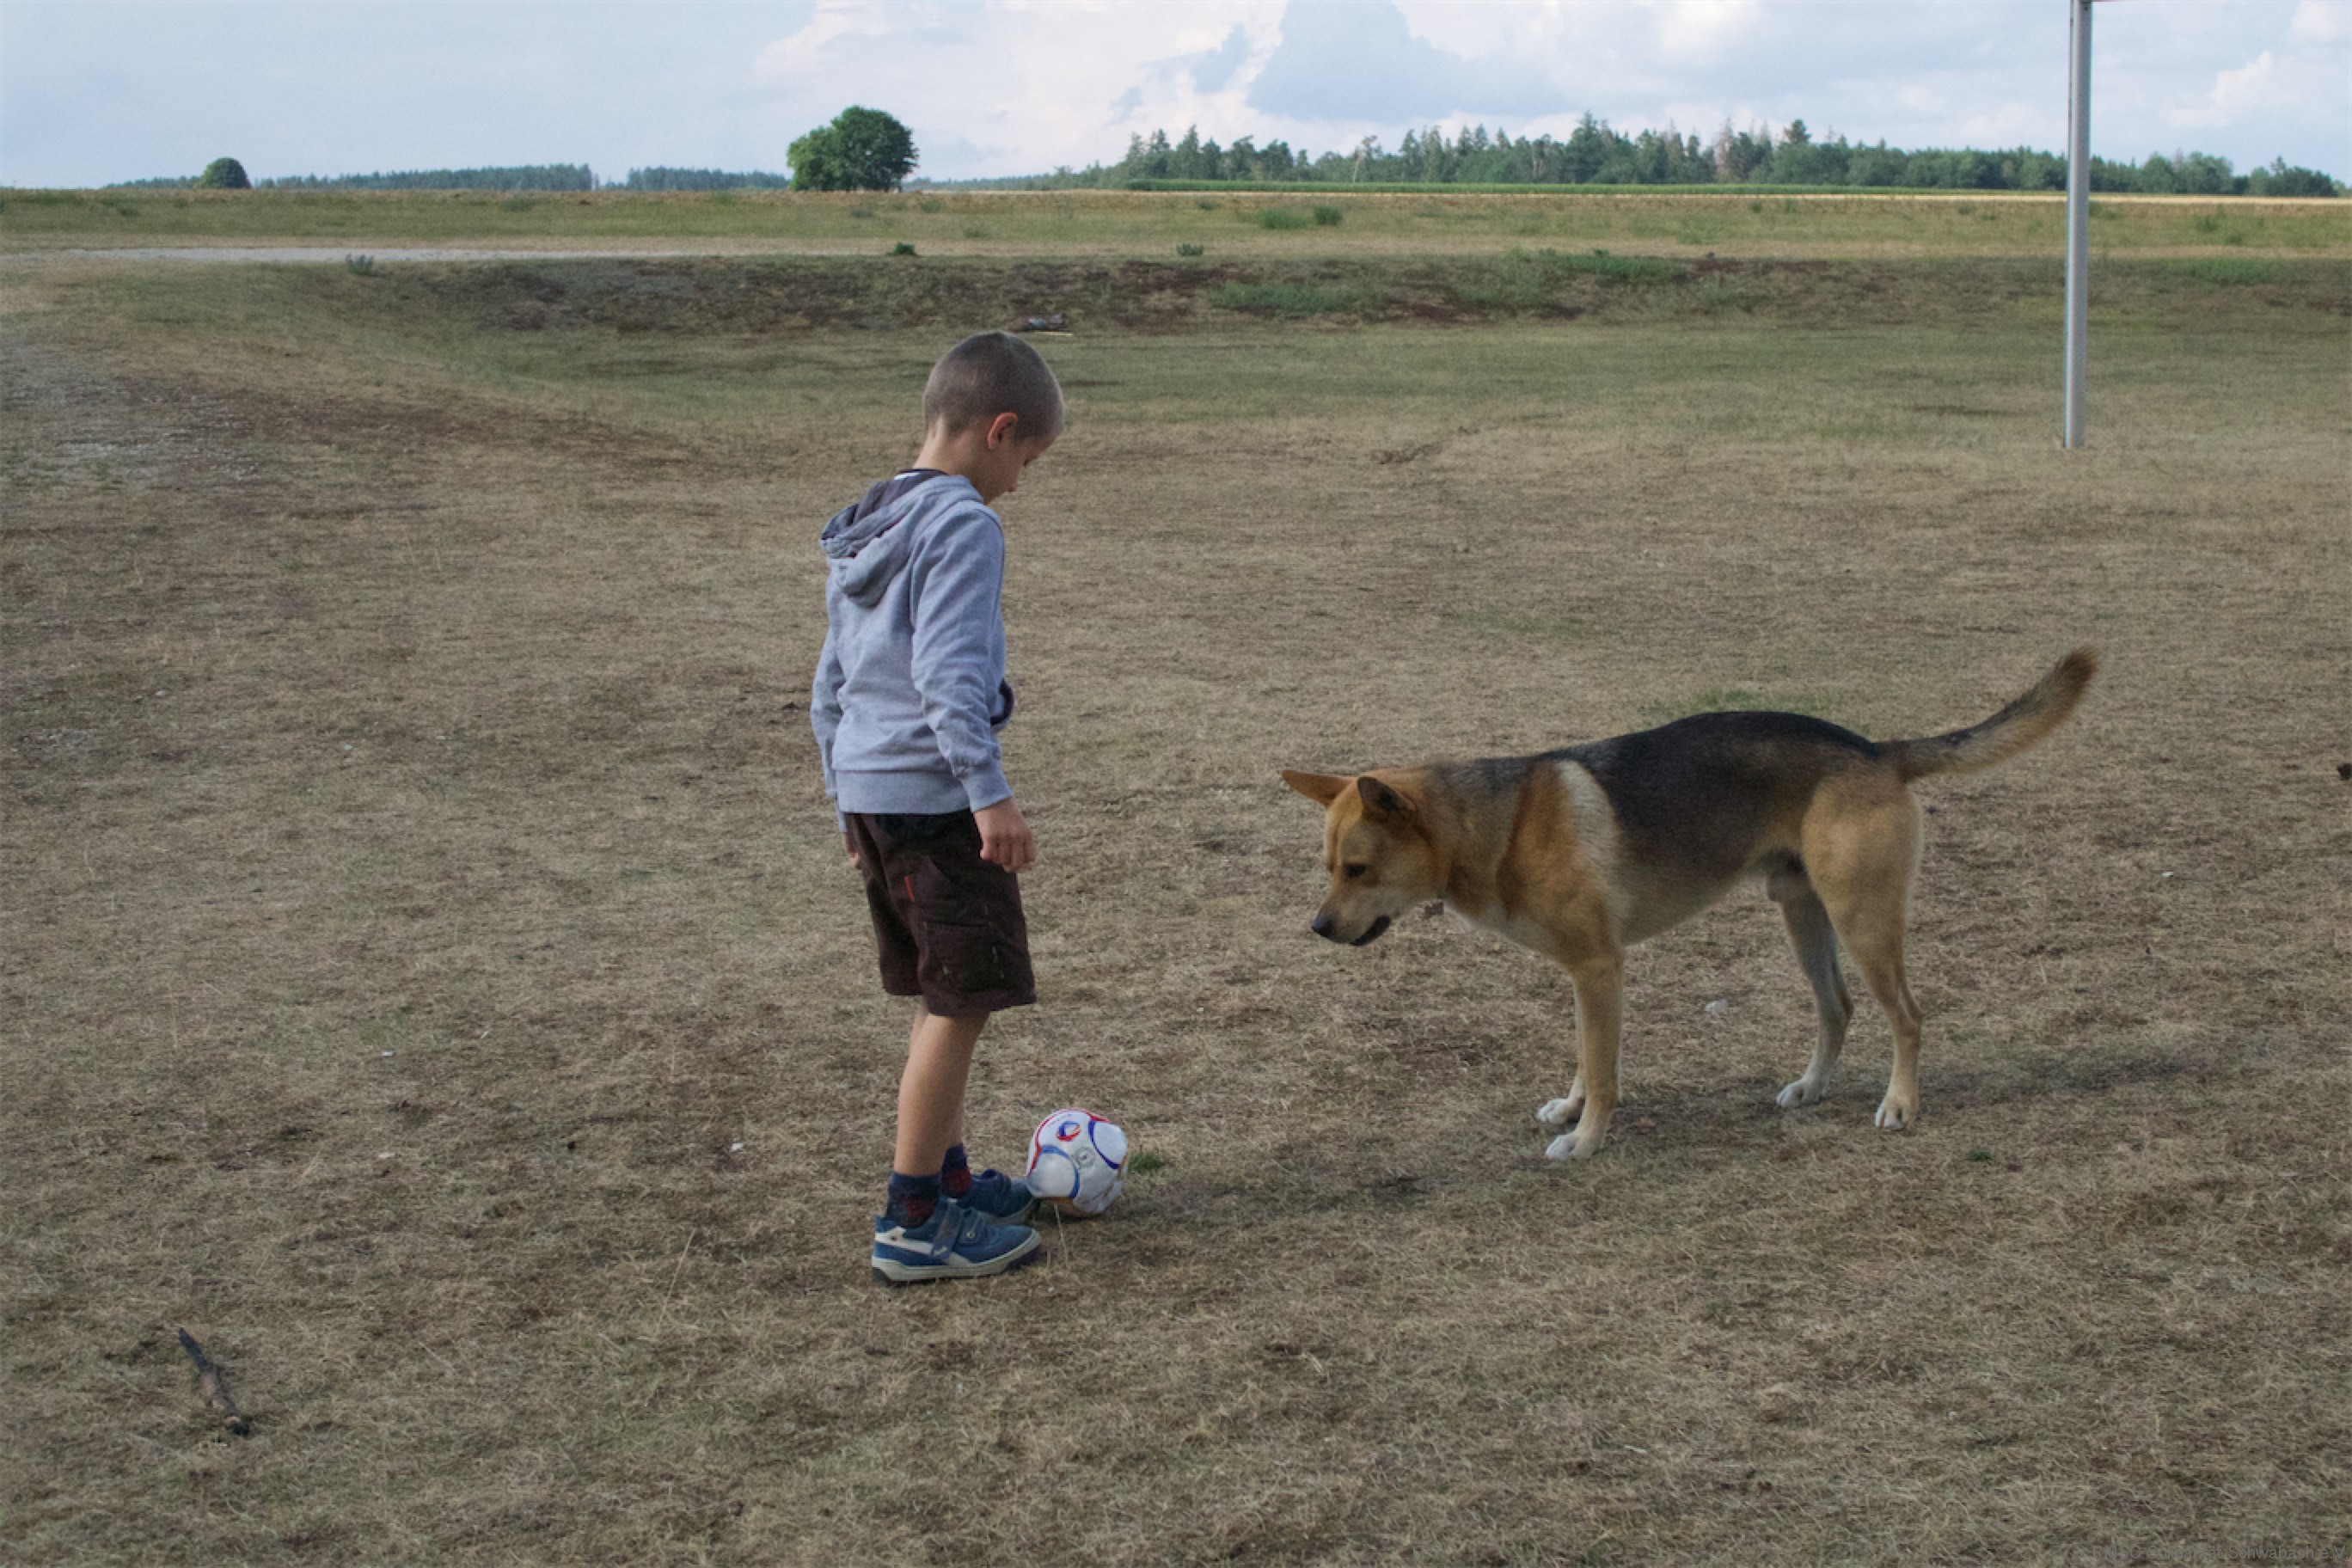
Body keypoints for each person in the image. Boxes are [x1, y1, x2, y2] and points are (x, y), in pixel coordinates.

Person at [810, 330, 1063, 1283]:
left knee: (940, 996)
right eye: (1028, 459)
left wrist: (845, 798)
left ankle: (949, 1183)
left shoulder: (871, 521)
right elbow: (949, 679)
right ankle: (913, 1221)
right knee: (961, 1006)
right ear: (999, 430)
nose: (1020, 484)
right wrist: (989, 796)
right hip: (935, 802)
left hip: (876, 798)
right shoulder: (962, 525)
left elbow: (830, 685)